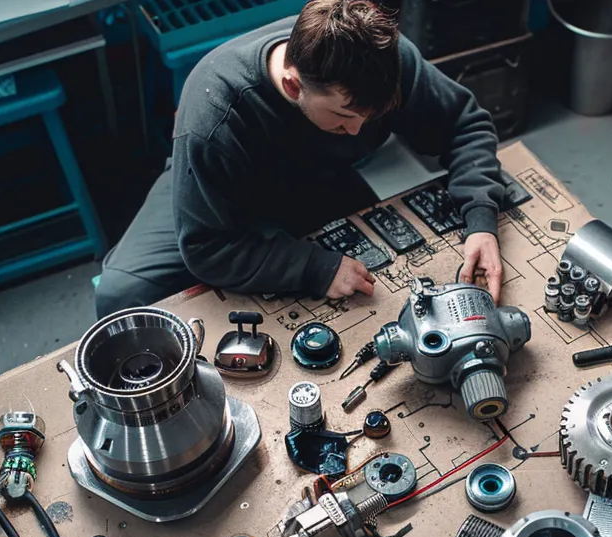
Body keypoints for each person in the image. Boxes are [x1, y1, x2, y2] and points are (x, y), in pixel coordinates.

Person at [94, 0, 506, 315]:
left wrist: (482, 218)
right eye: (344, 117)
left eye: (371, 117)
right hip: (219, 188)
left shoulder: (390, 63)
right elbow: (206, 247)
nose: (359, 132)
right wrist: (313, 269)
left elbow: (465, 124)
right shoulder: (214, 115)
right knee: (122, 293)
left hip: (315, 178)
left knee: (384, 280)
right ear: (293, 87)